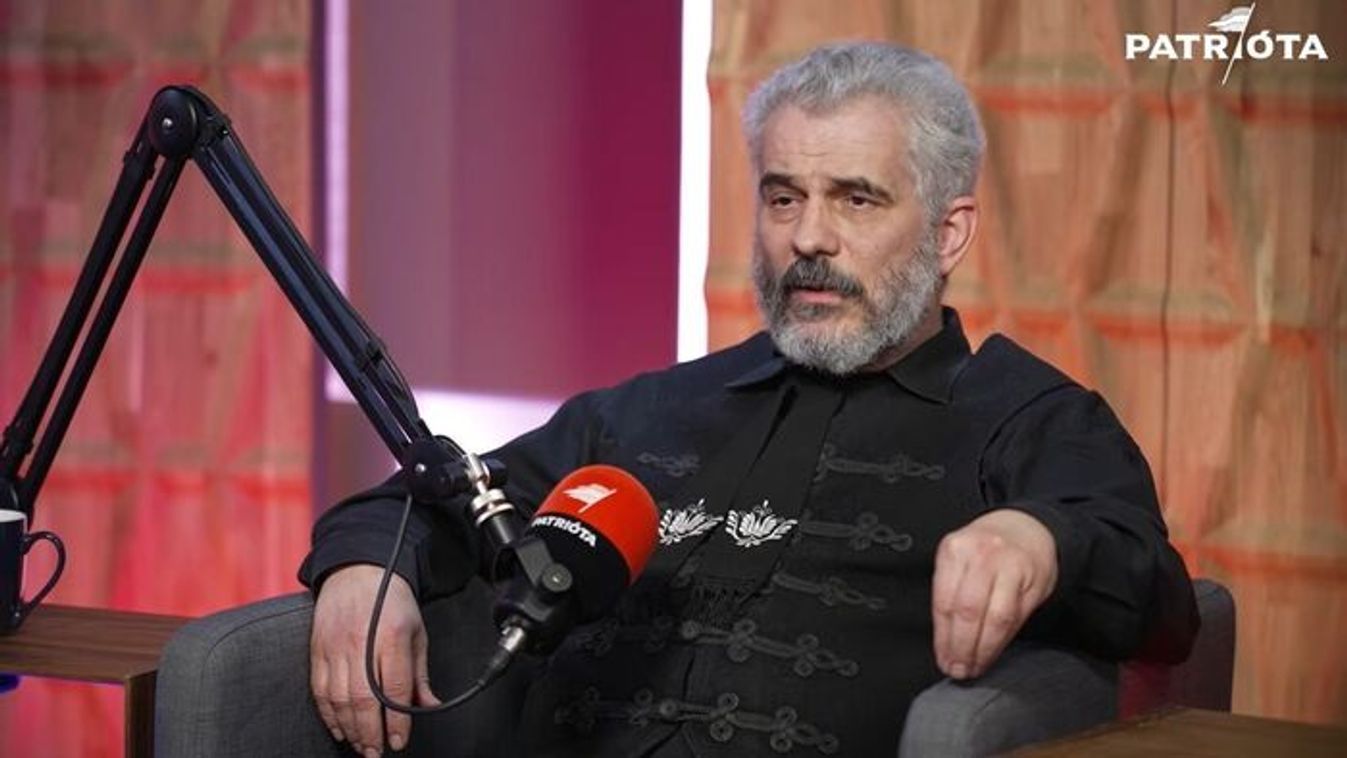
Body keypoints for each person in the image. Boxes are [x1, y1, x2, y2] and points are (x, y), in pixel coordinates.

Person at [300, 41, 1199, 757]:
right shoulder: (653, 408)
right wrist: (367, 570)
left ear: (947, 232)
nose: (808, 237)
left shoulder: (1030, 417)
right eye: (782, 198)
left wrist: (1042, 538)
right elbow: (442, 494)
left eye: (856, 200)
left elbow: (1161, 603)